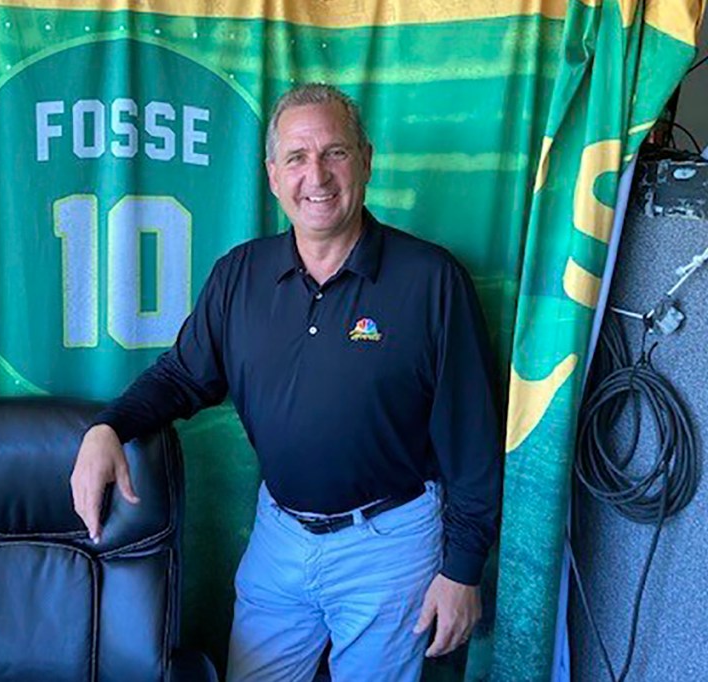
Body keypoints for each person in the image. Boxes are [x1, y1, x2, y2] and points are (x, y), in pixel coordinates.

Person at [70, 83, 502, 682]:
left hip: (390, 545)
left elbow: (474, 440)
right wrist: (108, 427)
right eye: (296, 157)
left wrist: (462, 570)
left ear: (366, 160)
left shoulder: (432, 280)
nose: (316, 176)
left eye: (335, 153)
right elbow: (182, 375)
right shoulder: (239, 275)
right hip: (279, 538)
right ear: (273, 176)